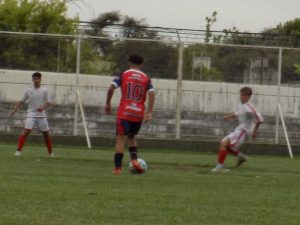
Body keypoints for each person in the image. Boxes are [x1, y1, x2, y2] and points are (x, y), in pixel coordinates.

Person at [105, 54, 155, 175]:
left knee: (120, 139)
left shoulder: (124, 74)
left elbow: (111, 88)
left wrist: (108, 103)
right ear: (141, 64)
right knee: (131, 137)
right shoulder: (146, 78)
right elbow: (152, 93)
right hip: (138, 114)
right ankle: (134, 162)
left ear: (129, 62)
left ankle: (117, 168)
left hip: (125, 112)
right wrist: (149, 112)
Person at [212, 86, 263, 172]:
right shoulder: (243, 105)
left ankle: (219, 168)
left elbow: (259, 119)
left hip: (243, 132)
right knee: (225, 144)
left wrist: (254, 132)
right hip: (239, 130)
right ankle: (240, 156)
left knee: (224, 144)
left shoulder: (249, 108)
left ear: (248, 96)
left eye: (243, 95)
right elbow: (239, 113)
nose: (241, 97)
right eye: (240, 95)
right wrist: (229, 116)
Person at [10, 72, 54, 157]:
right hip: (31, 114)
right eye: (35, 78)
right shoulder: (28, 91)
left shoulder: (44, 90)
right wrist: (14, 110)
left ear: (41, 79)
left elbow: (49, 103)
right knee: (26, 131)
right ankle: (18, 151)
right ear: (32, 80)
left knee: (46, 134)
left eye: (38, 78)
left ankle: (50, 153)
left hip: (41, 115)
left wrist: (42, 108)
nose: (36, 80)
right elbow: (21, 101)